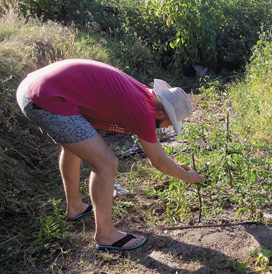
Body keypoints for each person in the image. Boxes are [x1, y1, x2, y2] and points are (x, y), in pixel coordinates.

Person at [16, 59, 204, 250]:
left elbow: (159, 157)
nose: (167, 128)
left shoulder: (144, 95)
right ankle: (105, 234)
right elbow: (157, 160)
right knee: (106, 163)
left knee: (75, 146)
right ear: (162, 114)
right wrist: (185, 176)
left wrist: (177, 168)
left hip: (34, 88)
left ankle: (75, 207)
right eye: (170, 123)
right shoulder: (144, 111)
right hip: (45, 97)